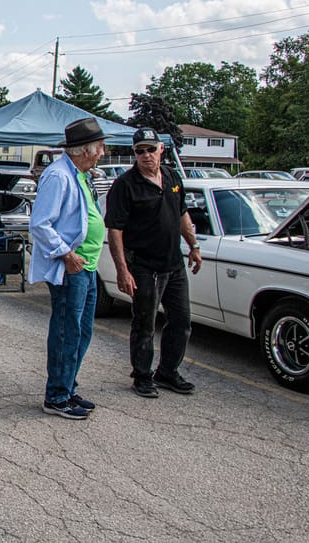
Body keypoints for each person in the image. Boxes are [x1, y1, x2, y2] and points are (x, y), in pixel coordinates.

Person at [105, 127, 203, 399]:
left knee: (181, 321)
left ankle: (168, 372)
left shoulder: (172, 176)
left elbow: (182, 213)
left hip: (174, 263)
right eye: (140, 151)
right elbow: (115, 230)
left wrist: (194, 246)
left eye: (151, 149)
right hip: (144, 266)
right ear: (134, 154)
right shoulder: (125, 185)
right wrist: (122, 270)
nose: (146, 155)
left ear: (161, 149)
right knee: (145, 324)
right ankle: (142, 375)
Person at [28, 117, 109, 420]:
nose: (102, 153)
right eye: (100, 147)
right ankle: (57, 396)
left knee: (81, 331)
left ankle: (68, 386)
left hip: (86, 266)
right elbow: (40, 223)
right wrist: (66, 254)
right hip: (71, 267)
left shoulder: (80, 175)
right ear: (84, 150)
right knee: (67, 331)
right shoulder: (58, 176)